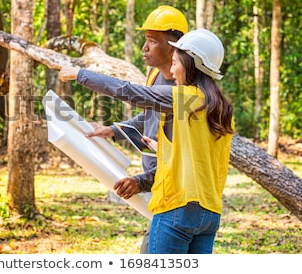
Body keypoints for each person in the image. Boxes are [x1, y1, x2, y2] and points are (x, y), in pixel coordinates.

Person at [58, 28, 234, 254]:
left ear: (190, 66)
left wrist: (80, 74)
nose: (171, 68)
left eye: (176, 62)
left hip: (177, 207)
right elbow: (201, 157)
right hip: (209, 214)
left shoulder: (182, 97)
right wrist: (157, 148)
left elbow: (129, 91)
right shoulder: (221, 109)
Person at [82, 5, 188, 253]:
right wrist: (114, 130)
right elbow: (149, 114)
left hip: (173, 192)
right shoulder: (154, 75)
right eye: (145, 40)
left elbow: (178, 162)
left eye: (152, 41)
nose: (145, 47)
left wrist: (140, 182)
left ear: (173, 46)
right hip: (157, 186)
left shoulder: (186, 86)